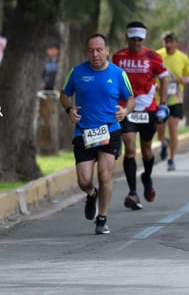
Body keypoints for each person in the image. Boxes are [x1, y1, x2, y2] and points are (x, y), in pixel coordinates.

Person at [60, 33, 135, 234]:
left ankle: (102, 218)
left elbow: (131, 99)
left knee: (104, 174)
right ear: (87, 52)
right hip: (84, 131)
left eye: (99, 49)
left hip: (110, 130)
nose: (95, 54)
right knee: (84, 181)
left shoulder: (119, 74)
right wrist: (69, 109)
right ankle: (91, 194)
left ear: (107, 50)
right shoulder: (76, 72)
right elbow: (64, 94)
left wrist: (125, 111)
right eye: (91, 50)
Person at [112, 21, 169, 211]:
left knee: (146, 149)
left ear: (143, 39)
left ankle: (146, 176)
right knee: (129, 146)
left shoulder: (153, 57)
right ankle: (133, 192)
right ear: (127, 38)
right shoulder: (118, 57)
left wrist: (163, 105)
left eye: (139, 39)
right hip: (126, 108)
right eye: (133, 38)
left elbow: (163, 79)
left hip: (147, 109)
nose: (136, 42)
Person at [156, 32, 189, 171]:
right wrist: (155, 85)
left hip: (176, 98)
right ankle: (163, 142)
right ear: (163, 42)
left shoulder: (182, 57)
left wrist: (184, 79)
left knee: (173, 128)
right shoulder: (157, 55)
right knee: (160, 131)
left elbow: (188, 76)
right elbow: (150, 74)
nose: (169, 45)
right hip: (159, 99)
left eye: (171, 42)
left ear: (176, 42)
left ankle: (171, 158)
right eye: (166, 42)